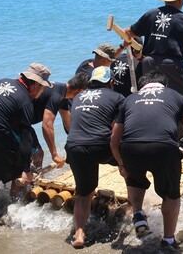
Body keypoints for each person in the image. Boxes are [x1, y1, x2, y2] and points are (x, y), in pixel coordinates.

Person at [110, 70, 183, 250]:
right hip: (163, 147)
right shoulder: (176, 96)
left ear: (142, 86)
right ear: (165, 85)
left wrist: (121, 163)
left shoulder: (129, 100)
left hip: (131, 147)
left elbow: (114, 140)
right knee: (171, 194)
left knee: (134, 180)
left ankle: (138, 214)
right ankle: (168, 240)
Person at [0, 63, 52, 232]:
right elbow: (27, 136)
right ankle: (16, 208)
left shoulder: (1, 81)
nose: (41, 92)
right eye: (42, 87)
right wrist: (26, 169)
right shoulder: (25, 101)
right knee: (18, 171)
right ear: (35, 84)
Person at [64, 66, 125, 248]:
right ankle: (138, 213)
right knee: (130, 168)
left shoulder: (77, 97)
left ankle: (79, 234)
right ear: (111, 82)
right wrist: (122, 161)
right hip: (101, 146)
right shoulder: (117, 97)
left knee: (84, 193)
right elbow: (118, 129)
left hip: (74, 146)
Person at [30, 73, 89, 169]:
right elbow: (47, 126)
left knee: (34, 155)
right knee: (36, 154)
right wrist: (54, 155)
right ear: (80, 91)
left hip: (22, 123)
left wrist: (80, 142)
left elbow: (68, 121)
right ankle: (32, 180)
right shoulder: (57, 95)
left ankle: (31, 178)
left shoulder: (63, 93)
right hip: (16, 123)